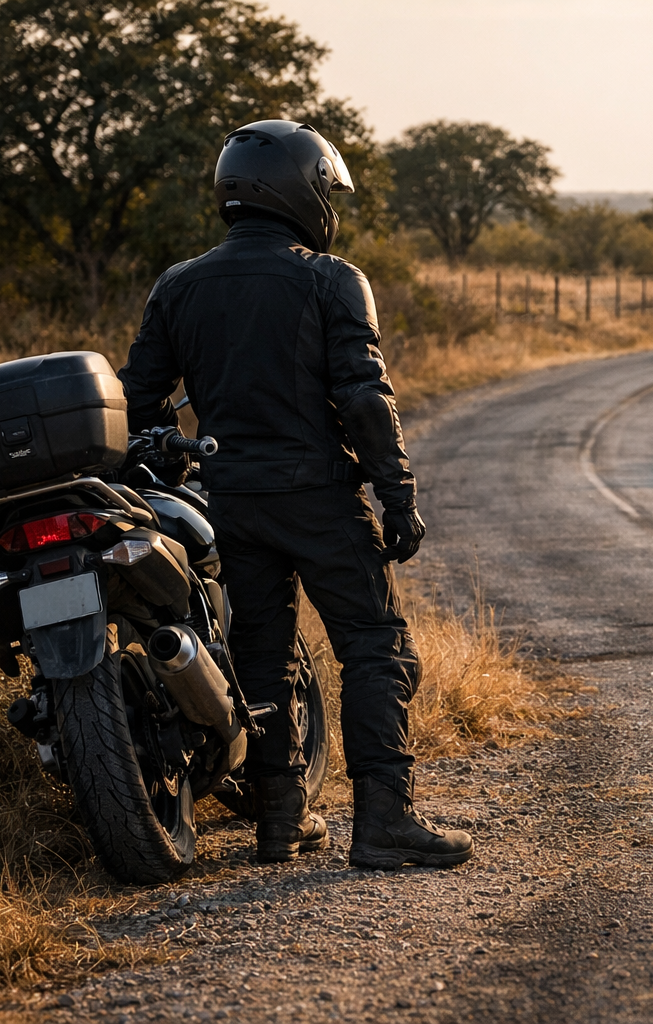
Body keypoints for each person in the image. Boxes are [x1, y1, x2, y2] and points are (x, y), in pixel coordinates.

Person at [119, 119, 472, 869]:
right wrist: (398, 495)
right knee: (376, 649)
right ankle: (385, 822)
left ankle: (281, 820)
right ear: (305, 192)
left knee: (263, 655)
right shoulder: (329, 278)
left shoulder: (178, 285)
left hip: (231, 504)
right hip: (317, 495)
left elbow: (137, 402)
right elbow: (365, 398)